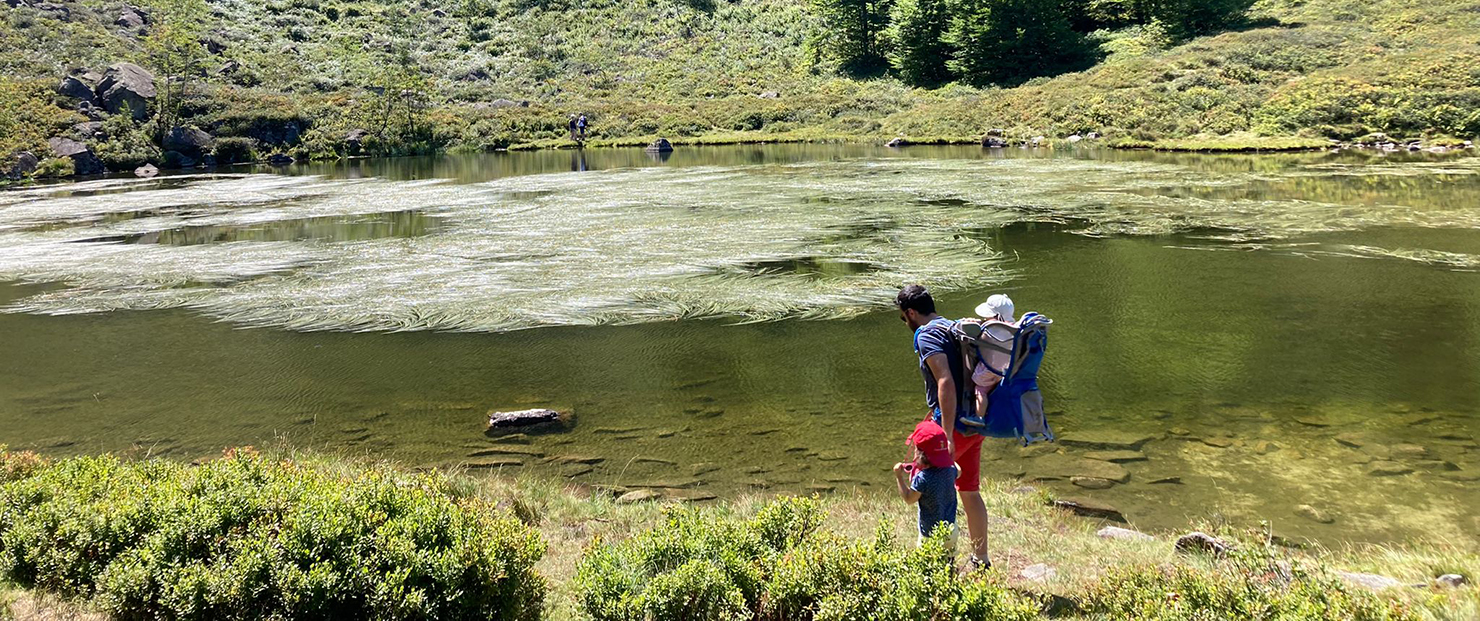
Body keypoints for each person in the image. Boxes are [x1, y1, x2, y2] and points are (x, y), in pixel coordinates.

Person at [897, 284, 991, 571]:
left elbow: (945, 381)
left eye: (903, 317)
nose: (905, 323)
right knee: (969, 490)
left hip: (950, 428)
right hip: (974, 421)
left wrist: (946, 434)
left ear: (911, 312)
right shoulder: (953, 326)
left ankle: (936, 565)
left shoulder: (926, 335)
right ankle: (981, 559)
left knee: (929, 492)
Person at [893, 420, 959, 548]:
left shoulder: (923, 478)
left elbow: (909, 499)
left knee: (927, 561)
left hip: (930, 535)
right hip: (951, 530)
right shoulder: (951, 471)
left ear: (919, 453)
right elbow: (959, 470)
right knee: (949, 559)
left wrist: (899, 477)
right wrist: (947, 459)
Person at [969, 293, 1016, 418]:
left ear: (995, 316)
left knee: (980, 390)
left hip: (989, 369)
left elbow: (979, 340)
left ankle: (979, 417)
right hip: (1006, 369)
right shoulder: (1015, 328)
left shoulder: (988, 329)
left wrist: (976, 323)